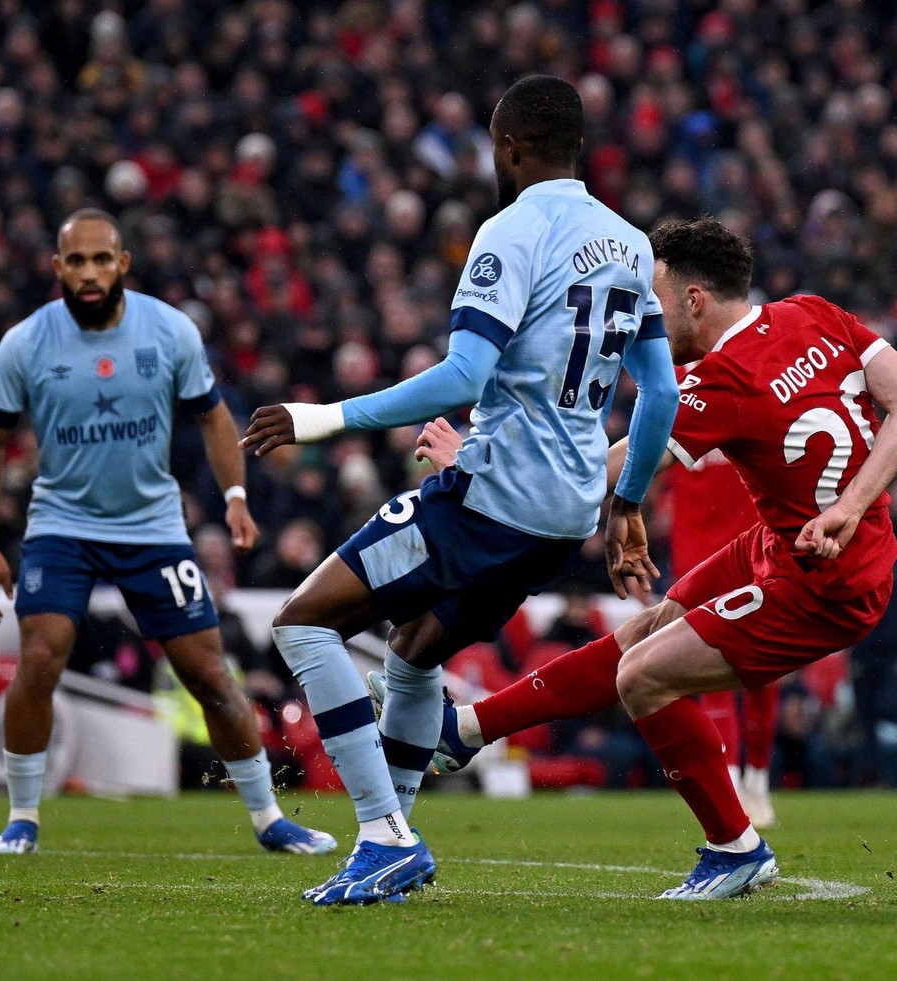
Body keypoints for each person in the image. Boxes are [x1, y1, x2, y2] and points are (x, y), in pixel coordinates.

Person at [240, 76, 680, 905]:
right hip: (563, 518)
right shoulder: (629, 243)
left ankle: (381, 836)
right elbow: (660, 394)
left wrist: (324, 418)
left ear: (508, 147)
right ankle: (395, 844)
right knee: (412, 658)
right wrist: (627, 504)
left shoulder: (511, 231)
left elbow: (462, 376)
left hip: (490, 498)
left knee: (303, 624)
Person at [405, 216, 897, 899]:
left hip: (825, 579)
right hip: (801, 538)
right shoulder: (814, 312)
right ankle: (466, 730)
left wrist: (469, 463)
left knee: (644, 677)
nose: (639, 321)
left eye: (651, 301)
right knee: (643, 632)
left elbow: (588, 472)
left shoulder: (718, 382)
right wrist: (856, 502)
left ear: (694, 300)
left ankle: (735, 845)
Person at [0, 208, 334, 857]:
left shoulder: (169, 330)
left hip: (153, 527)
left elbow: (215, 419)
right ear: (56, 267)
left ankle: (269, 818)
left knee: (211, 676)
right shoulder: (26, 342)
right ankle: (22, 816)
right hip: (63, 524)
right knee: (40, 656)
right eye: (75, 260)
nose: (88, 272)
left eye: (100, 259)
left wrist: (236, 497)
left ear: (123, 264)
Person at [662, 434, 780, 827]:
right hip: (696, 551)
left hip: (756, 543)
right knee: (713, 665)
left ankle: (758, 781)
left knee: (765, 670)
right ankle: (729, 782)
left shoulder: (752, 383)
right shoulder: (674, 389)